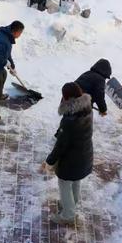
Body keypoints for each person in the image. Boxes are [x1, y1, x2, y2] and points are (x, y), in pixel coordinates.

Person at [43, 82, 93, 225]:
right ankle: (71, 203)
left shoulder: (70, 120)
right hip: (84, 154)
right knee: (75, 181)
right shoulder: (87, 109)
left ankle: (68, 215)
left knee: (64, 184)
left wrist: (50, 160)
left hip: (71, 160)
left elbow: (61, 145)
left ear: (67, 98)